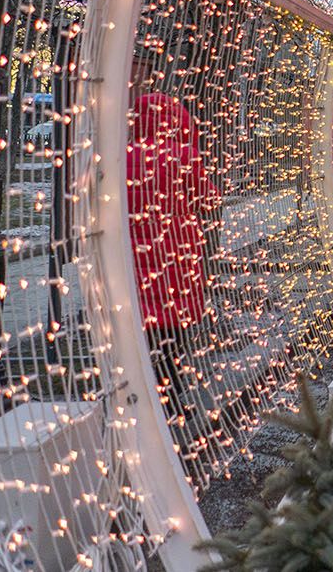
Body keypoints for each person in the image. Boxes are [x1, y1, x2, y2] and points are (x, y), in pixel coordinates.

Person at [127, 91, 221, 422]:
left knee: (141, 328)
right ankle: (171, 396)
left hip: (135, 257)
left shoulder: (124, 156)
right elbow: (208, 200)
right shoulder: (185, 156)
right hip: (176, 257)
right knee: (172, 332)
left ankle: (144, 389)